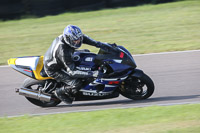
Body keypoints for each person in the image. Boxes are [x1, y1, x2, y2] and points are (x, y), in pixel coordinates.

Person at [43, 24, 109, 104]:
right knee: (76, 83)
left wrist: (100, 44)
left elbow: (84, 38)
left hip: (62, 58)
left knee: (86, 53)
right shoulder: (63, 51)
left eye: (78, 39)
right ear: (68, 39)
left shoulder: (70, 38)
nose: (78, 41)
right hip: (54, 69)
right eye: (75, 40)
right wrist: (92, 73)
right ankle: (59, 92)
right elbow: (72, 72)